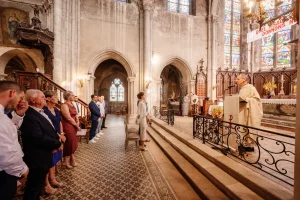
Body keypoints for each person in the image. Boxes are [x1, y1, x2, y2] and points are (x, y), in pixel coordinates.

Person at [20, 89, 62, 200]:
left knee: (37, 184)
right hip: (37, 156)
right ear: (33, 100)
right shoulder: (29, 115)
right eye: (42, 97)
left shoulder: (39, 111)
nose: (45, 98)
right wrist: (57, 143)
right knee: (34, 185)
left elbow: (48, 130)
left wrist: (57, 139)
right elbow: (38, 137)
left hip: (44, 154)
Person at [0, 81, 29, 200]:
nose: (21, 101)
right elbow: (5, 151)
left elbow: (8, 130)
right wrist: (22, 170)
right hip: (4, 173)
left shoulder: (3, 116)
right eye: (21, 97)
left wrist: (19, 114)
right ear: (12, 93)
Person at [43, 91, 66, 194]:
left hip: (57, 136)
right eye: (54, 96)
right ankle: (46, 184)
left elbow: (59, 122)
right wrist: (58, 135)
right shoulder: (44, 111)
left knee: (54, 159)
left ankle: (53, 179)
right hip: (49, 136)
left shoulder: (56, 109)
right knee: (47, 160)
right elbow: (47, 126)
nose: (57, 98)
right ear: (47, 98)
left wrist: (61, 133)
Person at [236, 74, 263, 151]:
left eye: (238, 79)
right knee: (242, 126)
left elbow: (257, 100)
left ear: (244, 79)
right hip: (242, 112)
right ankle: (242, 142)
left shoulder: (251, 88)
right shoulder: (242, 88)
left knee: (248, 127)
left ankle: (248, 144)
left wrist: (247, 100)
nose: (236, 80)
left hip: (249, 112)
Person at [61, 91, 80, 168]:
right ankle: (65, 160)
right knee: (68, 142)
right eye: (72, 95)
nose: (73, 96)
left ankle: (72, 158)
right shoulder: (64, 105)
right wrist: (76, 125)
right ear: (68, 96)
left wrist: (78, 122)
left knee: (73, 142)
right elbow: (68, 118)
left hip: (74, 125)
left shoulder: (72, 104)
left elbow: (76, 115)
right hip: (68, 125)